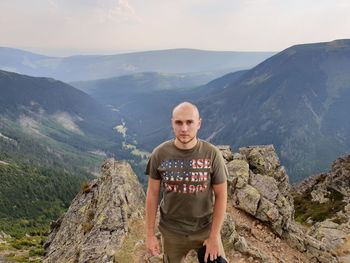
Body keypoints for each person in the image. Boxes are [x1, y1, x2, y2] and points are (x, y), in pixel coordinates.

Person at [145, 101, 228, 263]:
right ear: (172, 123)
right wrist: (149, 235)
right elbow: (152, 194)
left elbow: (222, 195)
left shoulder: (212, 154)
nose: (184, 128)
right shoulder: (159, 154)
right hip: (171, 231)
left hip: (205, 229)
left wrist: (214, 236)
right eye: (179, 122)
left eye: (189, 122)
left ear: (199, 123)